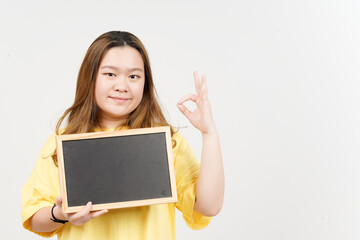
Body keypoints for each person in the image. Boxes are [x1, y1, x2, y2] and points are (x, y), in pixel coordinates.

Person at [21, 31, 224, 240]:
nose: (122, 86)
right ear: (90, 78)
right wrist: (61, 214)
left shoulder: (166, 143)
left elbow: (208, 206)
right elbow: (34, 216)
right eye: (110, 74)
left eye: (134, 76)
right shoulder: (63, 143)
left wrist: (209, 134)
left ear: (145, 84)